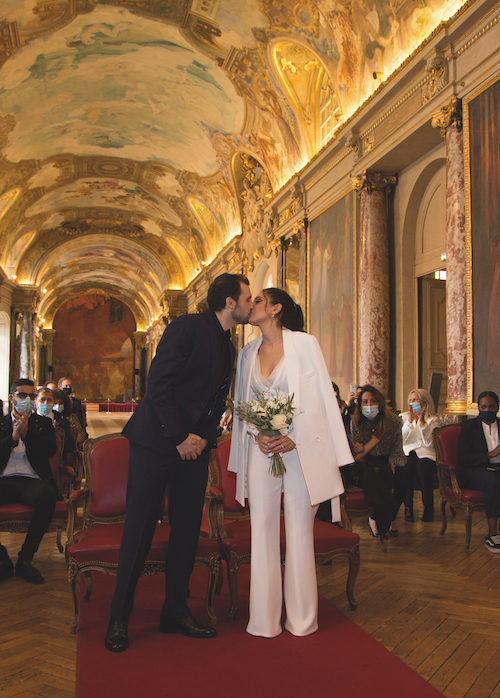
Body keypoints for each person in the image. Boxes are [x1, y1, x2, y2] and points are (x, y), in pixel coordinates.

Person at [105, 273, 252, 652]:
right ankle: (118, 617)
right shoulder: (186, 327)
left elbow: (216, 399)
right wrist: (179, 436)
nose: (251, 304)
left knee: (187, 529)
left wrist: (201, 438)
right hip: (157, 441)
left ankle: (175, 612)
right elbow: (159, 384)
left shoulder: (229, 345)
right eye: (248, 298)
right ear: (230, 302)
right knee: (138, 528)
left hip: (194, 448)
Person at [228, 288, 353, 638]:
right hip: (261, 449)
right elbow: (243, 403)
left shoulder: (304, 344)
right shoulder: (247, 352)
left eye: (257, 301)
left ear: (276, 308)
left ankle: (301, 619)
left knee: (299, 531)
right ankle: (264, 621)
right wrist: (257, 434)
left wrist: (294, 436)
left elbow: (319, 400)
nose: (250, 305)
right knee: (263, 531)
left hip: (299, 450)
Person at [0, 379, 60, 584]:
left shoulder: (42, 424)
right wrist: (13, 438)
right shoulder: (1, 423)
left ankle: (25, 558)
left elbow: (51, 449)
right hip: (4, 479)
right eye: (22, 395)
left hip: (31, 480)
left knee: (47, 497)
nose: (27, 400)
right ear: (12, 398)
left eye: (31, 396)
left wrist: (27, 434)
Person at [350, 385, 406, 539]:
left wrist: (394, 465)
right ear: (360, 405)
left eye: (373, 401)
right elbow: (356, 454)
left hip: (387, 459)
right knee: (374, 478)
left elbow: (397, 447)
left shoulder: (393, 421)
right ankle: (382, 518)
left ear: (379, 403)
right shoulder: (356, 421)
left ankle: (389, 516)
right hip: (364, 462)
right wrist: (362, 445)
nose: (369, 406)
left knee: (402, 478)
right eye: (366, 402)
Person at [457, 391, 500, 552]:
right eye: (483, 407)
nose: (487, 410)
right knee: (492, 481)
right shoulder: (469, 427)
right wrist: (489, 454)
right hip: (473, 471)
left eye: (491, 407)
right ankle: (492, 535)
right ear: (478, 407)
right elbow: (462, 457)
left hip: (497, 468)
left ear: (497, 407)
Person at [401, 389, 440, 522]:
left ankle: (429, 508)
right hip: (409, 454)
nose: (412, 403)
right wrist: (410, 423)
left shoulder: (433, 420)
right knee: (406, 465)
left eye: (415, 400)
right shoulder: (404, 418)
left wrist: (422, 423)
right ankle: (408, 509)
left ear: (424, 403)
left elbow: (429, 443)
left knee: (422, 467)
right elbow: (402, 440)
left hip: (427, 456)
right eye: (410, 400)